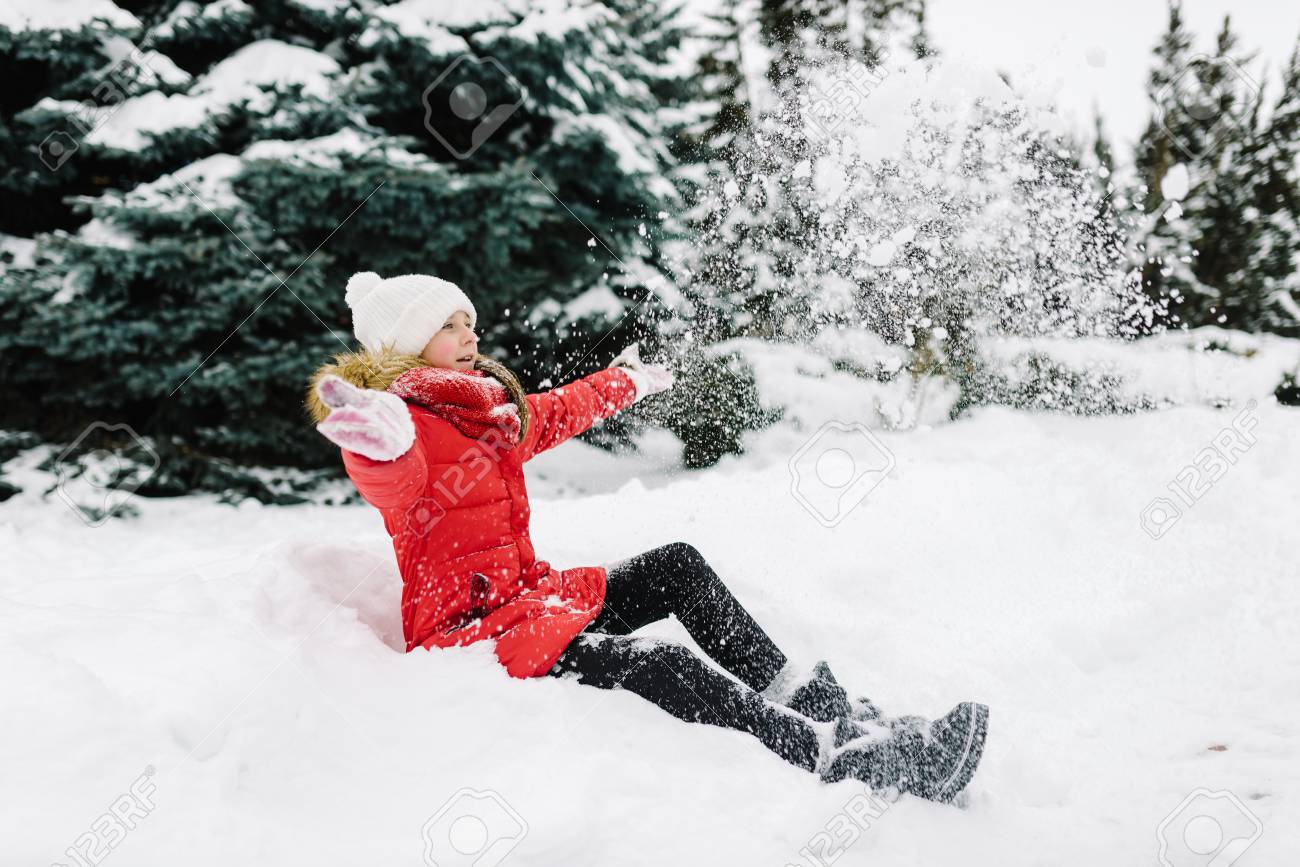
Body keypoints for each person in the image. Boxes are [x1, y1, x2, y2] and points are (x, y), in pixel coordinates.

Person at [305, 271, 988, 802]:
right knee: (661, 661)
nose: (469, 333)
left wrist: (622, 382)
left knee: (676, 567)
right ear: (402, 344)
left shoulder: (488, 414)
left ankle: (824, 706)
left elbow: (556, 411)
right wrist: (380, 444)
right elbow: (394, 480)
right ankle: (830, 753)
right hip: (475, 635)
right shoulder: (402, 425)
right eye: (449, 325)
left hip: (530, 602)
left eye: (469, 320)